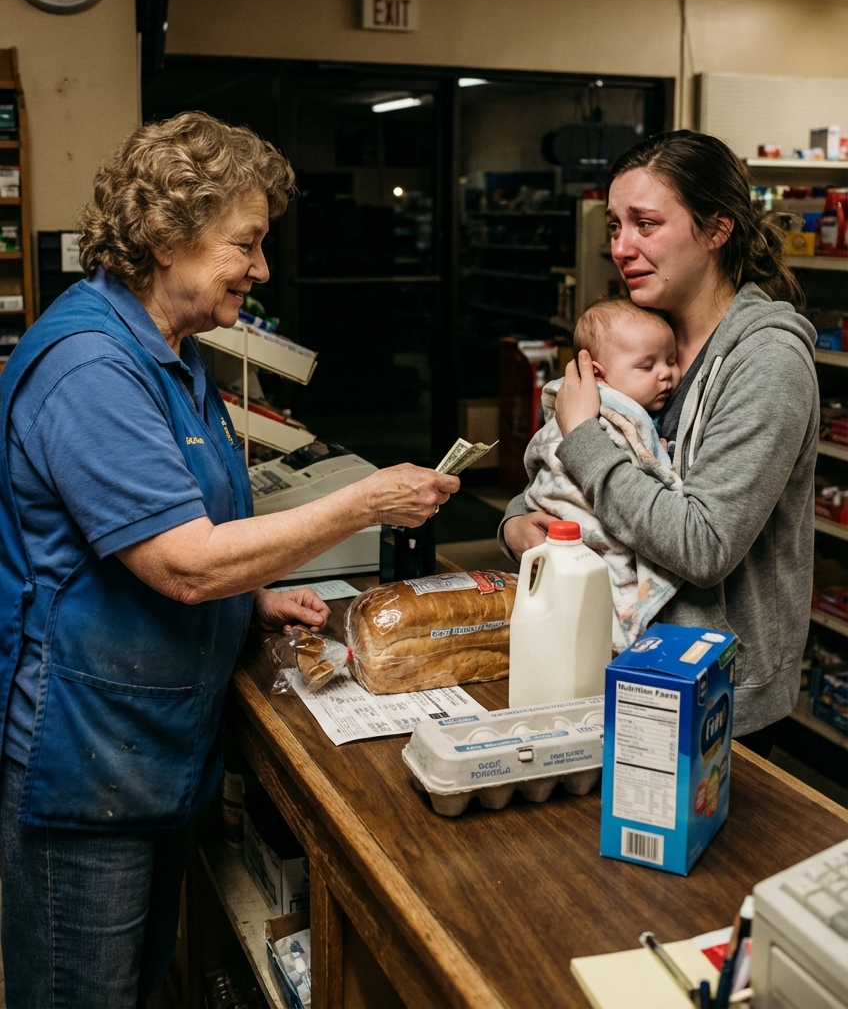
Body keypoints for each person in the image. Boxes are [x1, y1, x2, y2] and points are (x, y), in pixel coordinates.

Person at [0, 112, 459, 1009]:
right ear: (167, 238)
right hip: (88, 764)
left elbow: (148, 534)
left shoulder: (171, 352)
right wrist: (362, 504)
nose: (260, 269)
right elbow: (183, 563)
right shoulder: (91, 366)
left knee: (137, 985)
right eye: (244, 244)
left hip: (151, 746)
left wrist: (249, 600)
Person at [502, 130, 818, 758]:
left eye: (645, 224)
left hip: (717, 701)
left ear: (717, 229)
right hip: (616, 670)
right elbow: (559, 473)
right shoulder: (644, 342)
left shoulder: (768, 362)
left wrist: (585, 434)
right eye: (615, 226)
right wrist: (516, 525)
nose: (622, 247)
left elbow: (703, 545)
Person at [522, 297, 683, 653]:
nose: (666, 373)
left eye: (672, 360)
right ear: (597, 375)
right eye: (647, 366)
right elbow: (550, 468)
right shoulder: (613, 415)